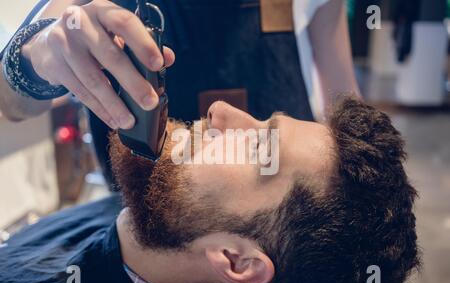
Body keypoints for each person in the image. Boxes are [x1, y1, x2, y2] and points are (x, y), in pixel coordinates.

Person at [0, 98, 420, 283]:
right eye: (260, 122)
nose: (220, 111)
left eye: (258, 150)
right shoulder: (145, 219)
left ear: (237, 262)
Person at [0, 0, 360, 186]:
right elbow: (9, 103)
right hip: (145, 218)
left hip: (279, 216)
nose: (220, 120)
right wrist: (37, 58)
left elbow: (344, 100)